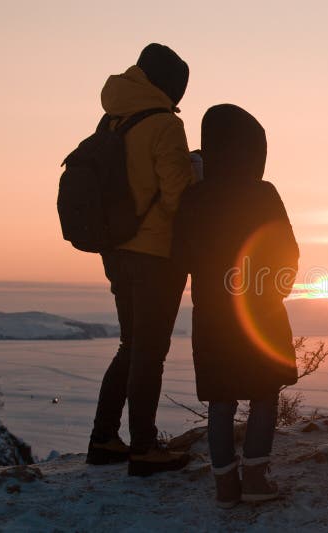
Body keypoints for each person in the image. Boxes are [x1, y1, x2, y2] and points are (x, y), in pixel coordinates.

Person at [172, 104, 299, 508]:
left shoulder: (194, 198)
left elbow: (180, 256)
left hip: (211, 315)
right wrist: (276, 290)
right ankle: (256, 479)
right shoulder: (263, 194)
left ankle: (225, 485)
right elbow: (288, 250)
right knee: (264, 392)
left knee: (221, 397)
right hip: (260, 312)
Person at [86, 43, 195, 476]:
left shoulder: (113, 117)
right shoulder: (164, 125)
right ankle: (145, 448)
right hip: (154, 255)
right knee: (150, 352)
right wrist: (195, 172)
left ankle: (104, 438)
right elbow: (177, 198)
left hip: (116, 251)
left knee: (131, 346)